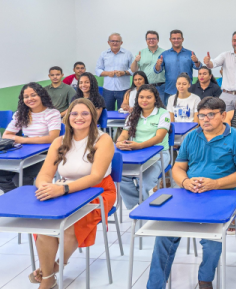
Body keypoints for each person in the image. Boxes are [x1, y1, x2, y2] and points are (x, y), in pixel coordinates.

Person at [146, 97, 236, 289]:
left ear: (223, 115)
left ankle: (205, 279)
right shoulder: (191, 137)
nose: (205, 119)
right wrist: (185, 182)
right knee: (164, 233)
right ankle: (155, 285)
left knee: (212, 239)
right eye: (202, 115)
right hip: (189, 194)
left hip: (222, 195)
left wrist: (216, 183)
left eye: (211, 115)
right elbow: (178, 167)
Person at [29, 99, 115, 288]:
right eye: (74, 113)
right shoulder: (59, 142)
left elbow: (95, 177)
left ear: (93, 117)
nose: (79, 117)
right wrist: (45, 187)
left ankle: (56, 266)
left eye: (85, 113)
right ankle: (48, 277)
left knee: (70, 227)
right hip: (65, 191)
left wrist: (62, 189)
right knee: (45, 225)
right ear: (67, 117)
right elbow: (44, 175)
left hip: (97, 191)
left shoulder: (103, 140)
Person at [115, 84, 171, 209]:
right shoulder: (133, 114)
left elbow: (159, 137)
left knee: (144, 181)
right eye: (141, 97)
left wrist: (139, 145)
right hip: (136, 155)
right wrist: (119, 143)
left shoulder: (163, 113)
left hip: (159, 154)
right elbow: (124, 134)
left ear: (155, 99)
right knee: (120, 176)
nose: (144, 100)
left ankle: (143, 208)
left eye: (148, 97)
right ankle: (138, 205)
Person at [1, 83, 61, 193]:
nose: (30, 99)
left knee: (22, 177)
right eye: (26, 97)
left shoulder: (52, 113)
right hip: (25, 152)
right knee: (2, 174)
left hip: (46, 153)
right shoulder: (21, 114)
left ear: (41, 95)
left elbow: (52, 138)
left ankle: (22, 197)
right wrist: (32, 139)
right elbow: (6, 135)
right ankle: (14, 196)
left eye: (33, 95)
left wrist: (23, 139)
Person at [153, 29, 201, 105]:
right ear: (170, 40)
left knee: (188, 111)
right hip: (170, 90)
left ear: (182, 39)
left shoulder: (190, 53)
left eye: (178, 38)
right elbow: (157, 71)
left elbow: (198, 67)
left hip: (187, 91)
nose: (176, 40)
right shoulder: (164, 55)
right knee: (169, 111)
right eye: (174, 38)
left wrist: (196, 61)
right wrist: (158, 65)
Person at [95, 33, 133, 111]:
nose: (115, 43)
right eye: (112, 41)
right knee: (107, 112)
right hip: (108, 89)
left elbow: (133, 70)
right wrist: (108, 73)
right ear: (108, 42)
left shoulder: (128, 54)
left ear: (121, 43)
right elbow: (97, 70)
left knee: (124, 112)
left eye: (117, 41)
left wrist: (124, 73)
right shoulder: (103, 54)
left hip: (124, 89)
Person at [130, 30, 166, 103]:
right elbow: (133, 70)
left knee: (161, 107)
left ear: (158, 40)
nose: (151, 40)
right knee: (145, 107)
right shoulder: (141, 53)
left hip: (161, 86)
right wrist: (136, 61)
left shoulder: (164, 53)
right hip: (145, 87)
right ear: (146, 40)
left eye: (154, 38)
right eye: (149, 39)